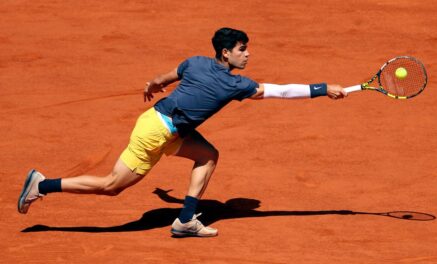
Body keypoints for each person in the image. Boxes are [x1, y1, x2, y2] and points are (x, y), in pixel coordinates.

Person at [18, 27, 347, 237]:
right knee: (110, 186)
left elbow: (165, 78)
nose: (247, 54)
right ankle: (43, 184)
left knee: (207, 156)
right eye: (242, 49)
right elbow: (280, 91)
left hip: (162, 125)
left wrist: (153, 84)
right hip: (156, 134)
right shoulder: (236, 83)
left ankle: (185, 219)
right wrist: (322, 88)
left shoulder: (196, 62)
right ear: (226, 53)